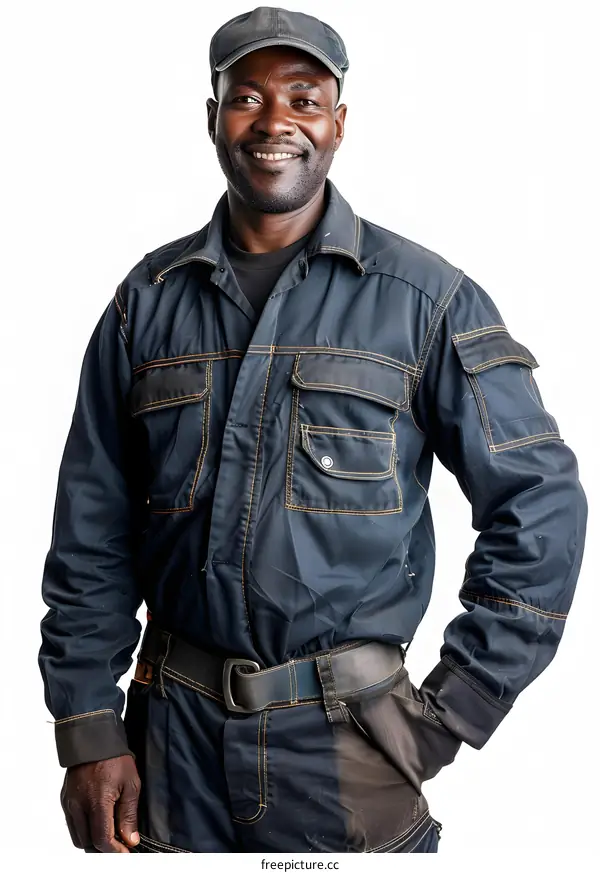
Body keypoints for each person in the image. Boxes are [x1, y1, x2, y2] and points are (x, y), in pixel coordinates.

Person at [39, 5, 587, 855]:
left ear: (338, 121)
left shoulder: (426, 301)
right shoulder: (143, 305)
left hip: (347, 752)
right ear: (213, 117)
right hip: (167, 750)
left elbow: (541, 503)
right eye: (246, 97)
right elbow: (90, 531)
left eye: (304, 97)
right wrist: (86, 725)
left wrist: (458, 704)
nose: (275, 122)